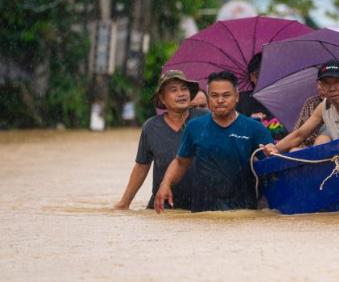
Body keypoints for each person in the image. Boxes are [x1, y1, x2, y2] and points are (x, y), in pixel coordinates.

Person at [154, 71, 277, 213]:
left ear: (237, 97)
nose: (220, 100)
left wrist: (271, 152)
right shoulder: (194, 127)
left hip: (243, 213)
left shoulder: (255, 128)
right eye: (214, 95)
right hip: (202, 213)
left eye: (226, 95)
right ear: (208, 98)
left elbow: (271, 165)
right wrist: (165, 184)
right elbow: (181, 162)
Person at [114, 70, 206, 210]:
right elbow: (141, 167)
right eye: (174, 90)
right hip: (163, 206)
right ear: (162, 98)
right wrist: (124, 203)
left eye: (184, 89)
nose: (181, 94)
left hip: (201, 205)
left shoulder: (206, 119)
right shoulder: (151, 127)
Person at [237, 52, 287, 140]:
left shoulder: (288, 100)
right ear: (252, 76)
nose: (264, 79)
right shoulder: (239, 101)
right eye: (258, 74)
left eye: (269, 74)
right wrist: (248, 123)